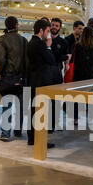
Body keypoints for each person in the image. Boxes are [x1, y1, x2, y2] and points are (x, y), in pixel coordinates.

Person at [0, 16, 28, 142]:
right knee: (20, 105)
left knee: (7, 106)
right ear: (16, 25)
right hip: (21, 77)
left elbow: (0, 59)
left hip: (8, 76)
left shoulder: (2, 39)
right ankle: (18, 131)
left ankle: (5, 133)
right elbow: (27, 60)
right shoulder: (24, 40)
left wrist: (1, 71)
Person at [26, 19, 56, 148]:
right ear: (41, 30)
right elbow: (51, 60)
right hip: (40, 81)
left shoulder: (32, 42)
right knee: (40, 112)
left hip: (34, 81)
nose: (48, 34)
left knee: (34, 111)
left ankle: (32, 138)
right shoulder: (39, 44)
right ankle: (38, 139)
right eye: (48, 31)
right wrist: (49, 46)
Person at [49, 18, 68, 131]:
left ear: (60, 28)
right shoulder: (44, 39)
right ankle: (47, 124)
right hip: (46, 73)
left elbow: (64, 57)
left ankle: (55, 122)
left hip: (57, 73)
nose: (54, 27)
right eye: (53, 25)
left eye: (56, 25)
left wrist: (64, 58)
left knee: (56, 99)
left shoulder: (63, 42)